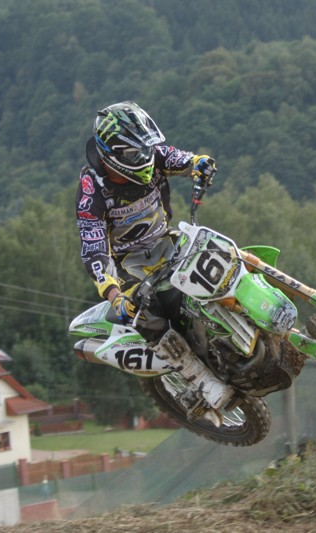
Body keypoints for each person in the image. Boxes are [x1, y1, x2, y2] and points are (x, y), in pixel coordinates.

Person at [74, 101, 232, 410]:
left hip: (165, 240)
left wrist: (198, 163)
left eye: (146, 149)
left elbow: (180, 159)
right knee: (149, 314)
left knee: (219, 256)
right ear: (112, 155)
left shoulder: (153, 156)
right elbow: (94, 250)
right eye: (135, 154)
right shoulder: (91, 192)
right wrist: (115, 296)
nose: (145, 158)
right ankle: (199, 378)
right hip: (130, 264)